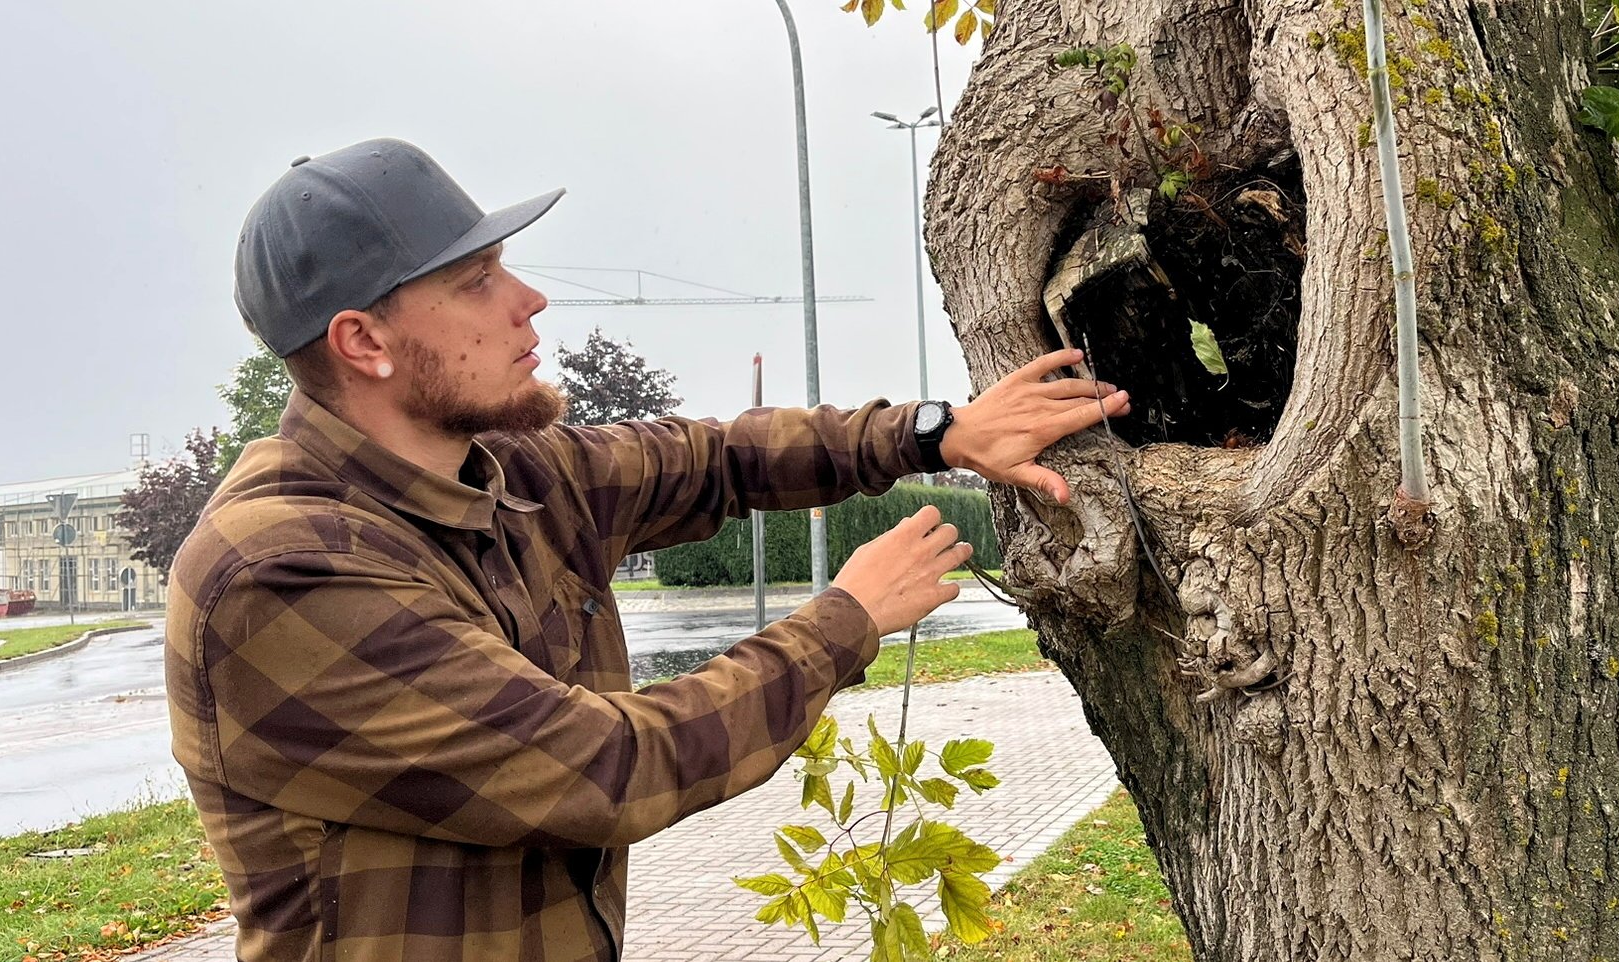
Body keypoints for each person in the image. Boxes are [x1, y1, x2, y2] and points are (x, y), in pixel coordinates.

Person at [165, 138, 1130, 962]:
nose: (529, 299)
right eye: (476, 282)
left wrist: (932, 433)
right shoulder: (282, 568)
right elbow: (601, 770)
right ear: (362, 340)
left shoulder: (508, 471)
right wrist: (845, 620)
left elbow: (712, 459)